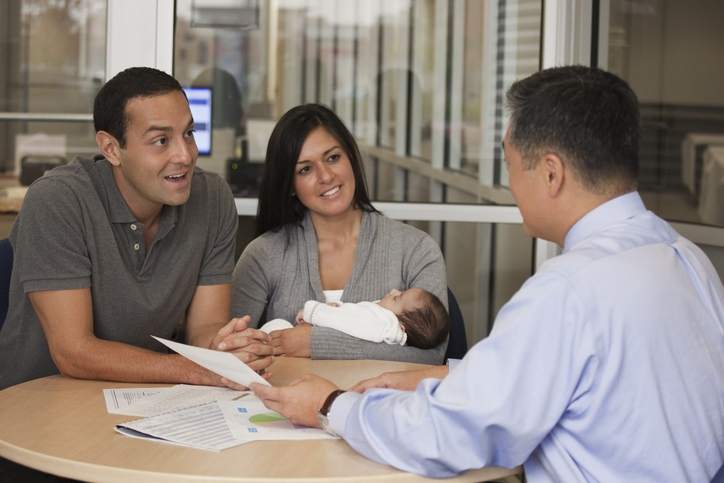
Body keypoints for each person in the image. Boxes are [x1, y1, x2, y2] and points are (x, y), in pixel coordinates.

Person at [250, 66, 724, 482]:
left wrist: (332, 406)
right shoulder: (687, 260)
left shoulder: (565, 292)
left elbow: (450, 435)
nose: (509, 184)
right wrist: (442, 375)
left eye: (511, 164)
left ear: (552, 173)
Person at [0, 67, 272, 390]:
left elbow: (205, 327)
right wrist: (198, 370)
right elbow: (73, 351)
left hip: (147, 398)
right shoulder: (58, 200)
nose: (185, 155)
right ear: (112, 149)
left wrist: (224, 349)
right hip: (39, 404)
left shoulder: (212, 199)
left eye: (189, 133)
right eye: (161, 140)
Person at [231, 103, 448, 363]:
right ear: (289, 185)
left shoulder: (416, 249)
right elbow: (231, 350)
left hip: (377, 403)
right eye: (305, 169)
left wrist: (315, 343)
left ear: (351, 159)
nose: (326, 176)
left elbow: (432, 356)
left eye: (333, 157)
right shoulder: (262, 255)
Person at [260, 288, 450, 349]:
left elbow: (345, 321)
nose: (393, 290)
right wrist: (337, 308)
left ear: (401, 326)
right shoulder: (384, 322)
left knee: (277, 326)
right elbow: (352, 318)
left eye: (397, 298)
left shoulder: (383, 323)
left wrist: (314, 311)